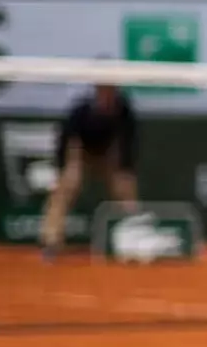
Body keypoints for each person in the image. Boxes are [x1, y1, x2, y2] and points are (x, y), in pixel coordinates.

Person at [37, 80, 139, 260]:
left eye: (111, 88)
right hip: (80, 151)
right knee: (65, 188)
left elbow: (127, 144)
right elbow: (67, 140)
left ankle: (132, 239)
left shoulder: (124, 110)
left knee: (125, 187)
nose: (107, 92)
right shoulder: (82, 111)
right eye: (103, 88)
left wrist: (124, 171)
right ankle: (51, 241)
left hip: (108, 153)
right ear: (97, 89)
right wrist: (65, 169)